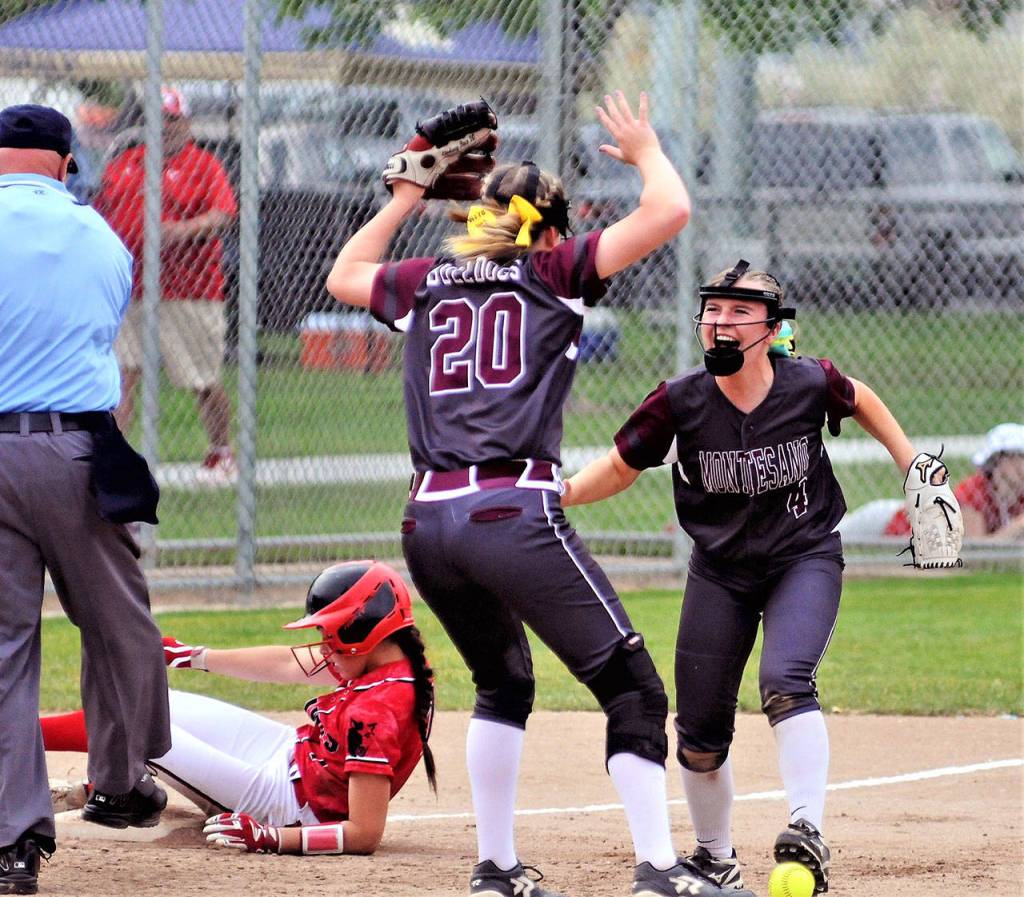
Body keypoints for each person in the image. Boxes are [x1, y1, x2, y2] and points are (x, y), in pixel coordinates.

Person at [326, 93, 743, 897]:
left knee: (503, 682)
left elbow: (344, 274)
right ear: (549, 230)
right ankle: (659, 869)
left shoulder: (427, 278)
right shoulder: (551, 268)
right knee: (633, 688)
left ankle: (496, 867)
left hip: (426, 521)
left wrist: (404, 196)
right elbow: (671, 210)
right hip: (510, 511)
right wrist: (647, 146)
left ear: (480, 218)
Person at [561, 260, 933, 894]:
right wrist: (560, 492)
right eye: (711, 312)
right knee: (699, 736)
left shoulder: (808, 382)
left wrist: (913, 465)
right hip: (720, 572)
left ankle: (806, 830)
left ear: (771, 328)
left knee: (785, 679)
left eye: (738, 312)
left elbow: (860, 397)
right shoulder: (680, 400)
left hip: (804, 557)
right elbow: (622, 466)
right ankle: (714, 857)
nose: (720, 324)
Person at [0, 103, 171, 895]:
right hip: (75, 450)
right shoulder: (101, 237)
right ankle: (121, 779)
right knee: (119, 621)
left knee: (4, 651)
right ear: (67, 162)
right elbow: (96, 328)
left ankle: (11, 845)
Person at [40, 561, 437, 857]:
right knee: (157, 703)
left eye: (327, 632)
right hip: (291, 756)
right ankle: (106, 773)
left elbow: (364, 833)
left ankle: (26, 736)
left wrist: (272, 838)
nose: (323, 643)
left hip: (287, 804)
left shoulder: (379, 710)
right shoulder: (391, 662)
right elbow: (286, 663)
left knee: (136, 722)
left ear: (360, 630)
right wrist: (191, 656)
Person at [93, 86, 239, 484]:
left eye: (172, 119)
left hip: (189, 289)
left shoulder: (203, 165)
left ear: (186, 122)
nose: (165, 128)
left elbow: (224, 213)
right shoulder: (126, 163)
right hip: (133, 286)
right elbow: (100, 211)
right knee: (122, 376)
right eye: (157, 120)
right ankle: (114, 460)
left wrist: (182, 230)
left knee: (202, 378)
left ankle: (220, 450)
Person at [885, 422, 1024, 541]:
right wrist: (1020, 524)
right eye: (1018, 457)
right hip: (904, 536)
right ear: (998, 460)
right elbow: (977, 552)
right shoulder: (974, 491)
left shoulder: (1019, 495)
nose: (1021, 465)